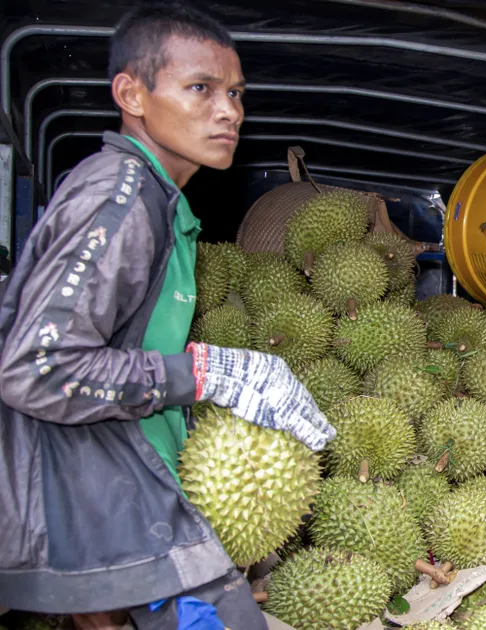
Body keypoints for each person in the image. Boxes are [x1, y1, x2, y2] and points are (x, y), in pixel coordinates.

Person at [0, 3, 335, 628]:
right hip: (89, 496)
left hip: (123, 490)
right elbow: (36, 369)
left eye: (235, 92)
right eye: (200, 89)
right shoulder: (118, 200)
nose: (229, 110)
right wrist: (207, 373)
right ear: (131, 93)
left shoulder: (164, 211)